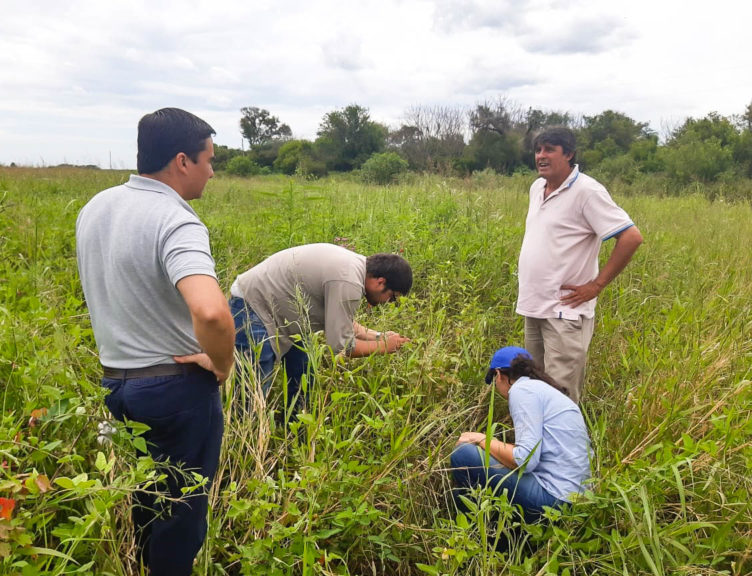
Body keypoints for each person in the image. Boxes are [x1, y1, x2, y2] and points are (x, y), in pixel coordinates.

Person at [76, 108, 235, 576]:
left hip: (116, 382)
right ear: (182, 161)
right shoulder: (177, 220)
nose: (212, 171)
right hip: (174, 388)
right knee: (182, 514)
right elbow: (210, 310)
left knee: (148, 496)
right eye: (209, 159)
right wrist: (222, 363)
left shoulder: (97, 208)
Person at [517, 127, 643, 403]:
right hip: (534, 304)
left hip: (565, 310)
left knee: (559, 394)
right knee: (533, 385)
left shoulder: (588, 191)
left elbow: (631, 237)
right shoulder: (537, 187)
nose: (541, 156)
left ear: (569, 154)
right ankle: (534, 445)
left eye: (550, 149)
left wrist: (597, 285)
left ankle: (565, 446)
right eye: (538, 150)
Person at [229, 243, 412, 412]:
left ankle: (296, 432)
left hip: (285, 317)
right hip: (252, 306)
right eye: (392, 297)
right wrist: (385, 347)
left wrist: (379, 336)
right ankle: (246, 439)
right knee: (253, 390)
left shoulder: (354, 269)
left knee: (303, 376)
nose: (389, 303)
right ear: (380, 282)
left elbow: (341, 321)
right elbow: (341, 346)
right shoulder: (348, 282)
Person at [450, 346, 590, 524]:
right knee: (462, 489)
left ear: (499, 375)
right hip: (581, 498)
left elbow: (525, 460)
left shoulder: (521, 391)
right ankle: (505, 537)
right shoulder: (543, 390)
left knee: (463, 454)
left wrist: (482, 439)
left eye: (494, 380)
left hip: (556, 499)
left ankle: (480, 536)